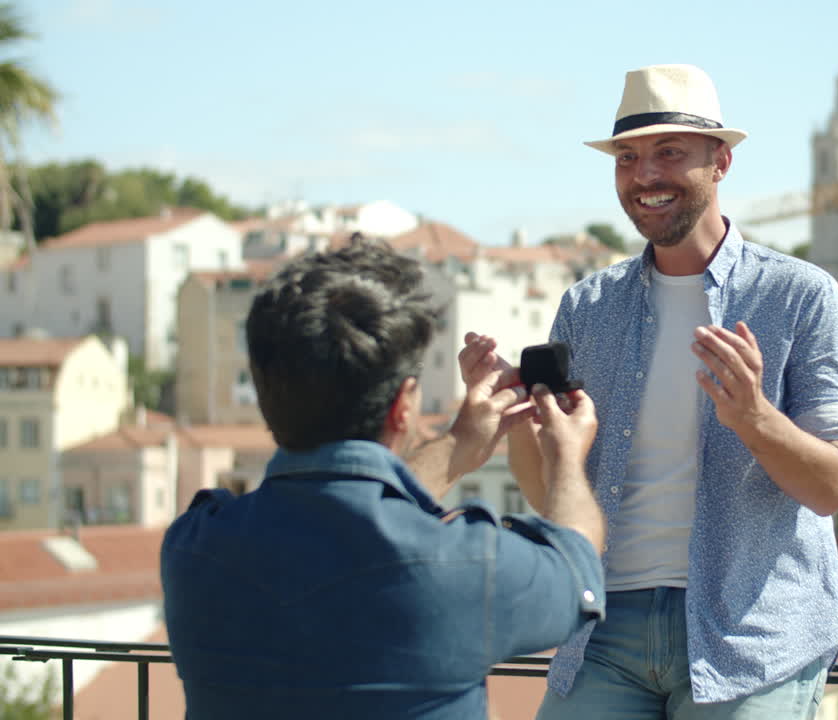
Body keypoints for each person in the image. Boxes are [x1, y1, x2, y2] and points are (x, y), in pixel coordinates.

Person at [461, 64, 838, 719]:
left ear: (722, 162)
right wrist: (522, 428)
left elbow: (832, 487)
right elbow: (548, 494)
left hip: (748, 635)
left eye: (669, 153)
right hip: (602, 628)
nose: (645, 175)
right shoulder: (587, 305)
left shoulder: (801, 296)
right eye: (628, 157)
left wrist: (754, 418)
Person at [161, 237, 606, 719]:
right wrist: (564, 455)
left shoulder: (192, 548)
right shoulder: (464, 565)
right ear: (404, 404)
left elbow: (336, 519)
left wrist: (457, 446)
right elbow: (577, 563)